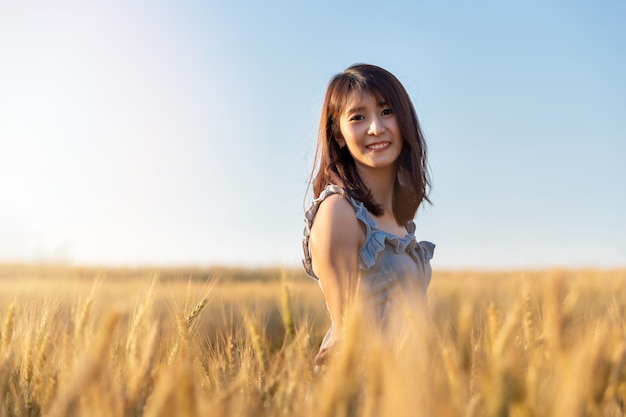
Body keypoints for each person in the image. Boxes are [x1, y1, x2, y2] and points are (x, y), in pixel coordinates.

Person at [302, 63, 435, 368]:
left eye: (387, 111)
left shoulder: (396, 220)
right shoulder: (340, 211)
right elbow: (345, 331)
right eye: (358, 117)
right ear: (338, 134)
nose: (376, 127)